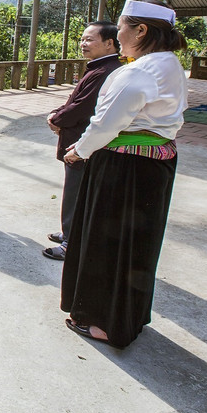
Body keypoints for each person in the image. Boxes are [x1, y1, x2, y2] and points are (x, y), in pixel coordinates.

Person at [61, 0, 188, 348]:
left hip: (124, 167)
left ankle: (103, 322)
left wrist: (80, 150)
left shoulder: (139, 72)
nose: (118, 35)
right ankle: (128, 316)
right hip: (154, 162)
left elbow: (107, 123)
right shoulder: (170, 65)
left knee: (107, 244)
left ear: (141, 30)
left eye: (120, 28)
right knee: (136, 246)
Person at [42, 22, 122, 260]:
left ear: (109, 43)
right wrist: (57, 113)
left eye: (90, 39)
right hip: (80, 140)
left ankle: (71, 243)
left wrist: (56, 119)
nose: (83, 44)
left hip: (83, 143)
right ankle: (69, 231)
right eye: (83, 39)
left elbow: (82, 107)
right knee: (75, 190)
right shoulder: (99, 67)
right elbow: (74, 100)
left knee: (76, 193)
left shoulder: (105, 71)